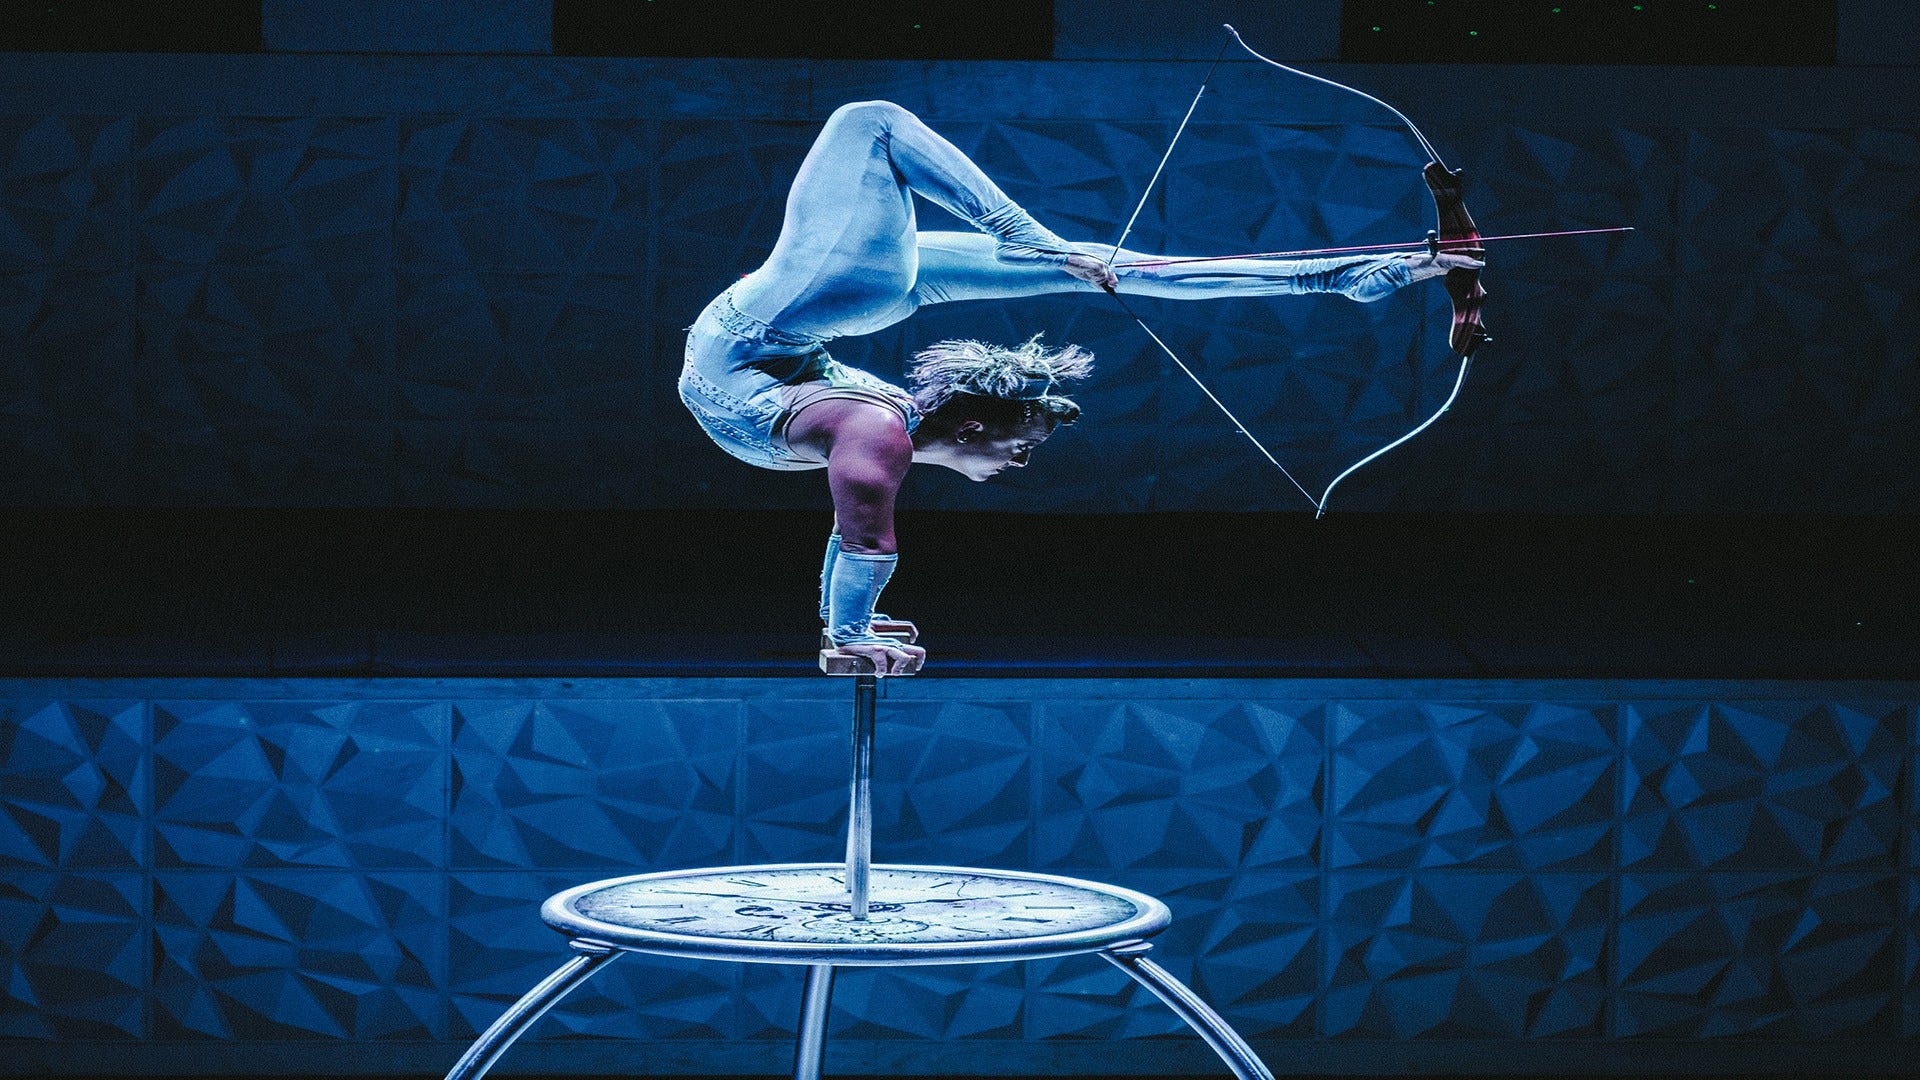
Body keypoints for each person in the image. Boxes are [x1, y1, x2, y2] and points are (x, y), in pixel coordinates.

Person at [679, 101, 1481, 674]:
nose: (1021, 463)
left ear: (964, 427)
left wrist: (846, 630)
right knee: (1082, 258)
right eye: (1025, 443)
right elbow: (863, 541)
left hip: (773, 330)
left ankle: (1348, 278)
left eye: (1019, 444)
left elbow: (864, 540)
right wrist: (847, 633)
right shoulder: (877, 431)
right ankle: (1048, 242)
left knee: (881, 128)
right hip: (785, 334)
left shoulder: (879, 432)